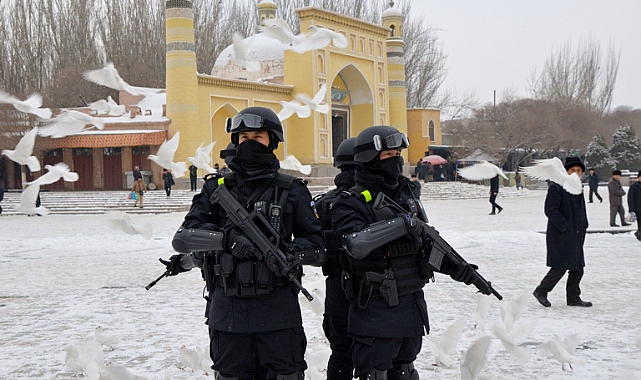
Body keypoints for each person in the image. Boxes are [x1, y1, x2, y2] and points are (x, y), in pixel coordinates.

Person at [161, 107, 324, 380]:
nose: (248, 142)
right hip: (229, 311)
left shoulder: (292, 190)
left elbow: (318, 245)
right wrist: (226, 240)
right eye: (243, 136)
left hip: (279, 311)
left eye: (257, 136)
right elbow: (183, 238)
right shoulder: (215, 188)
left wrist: (293, 254)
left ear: (272, 141)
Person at [331, 125, 477, 379]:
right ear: (370, 159)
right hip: (374, 307)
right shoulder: (350, 200)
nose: (396, 160)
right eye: (389, 155)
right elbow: (356, 244)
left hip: (410, 305)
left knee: (405, 371)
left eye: (398, 153)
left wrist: (457, 269)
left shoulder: (406, 194)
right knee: (375, 373)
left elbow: (426, 244)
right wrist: (400, 224)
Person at [313, 137, 358, 380]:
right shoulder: (371, 200)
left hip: (337, 291)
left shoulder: (324, 203)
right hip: (375, 296)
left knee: (341, 354)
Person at [533, 157, 592, 308]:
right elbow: (550, 209)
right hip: (561, 234)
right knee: (560, 266)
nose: (576, 173)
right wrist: (564, 226)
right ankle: (541, 291)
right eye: (573, 170)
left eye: (579, 171)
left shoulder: (578, 188)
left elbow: (580, 211)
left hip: (576, 234)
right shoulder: (557, 186)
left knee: (577, 268)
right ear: (566, 171)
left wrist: (583, 225)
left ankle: (573, 297)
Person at [627, 170, 641, 240]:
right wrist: (631, 210)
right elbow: (630, 199)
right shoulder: (634, 187)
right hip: (638, 209)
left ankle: (638, 233)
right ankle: (639, 234)